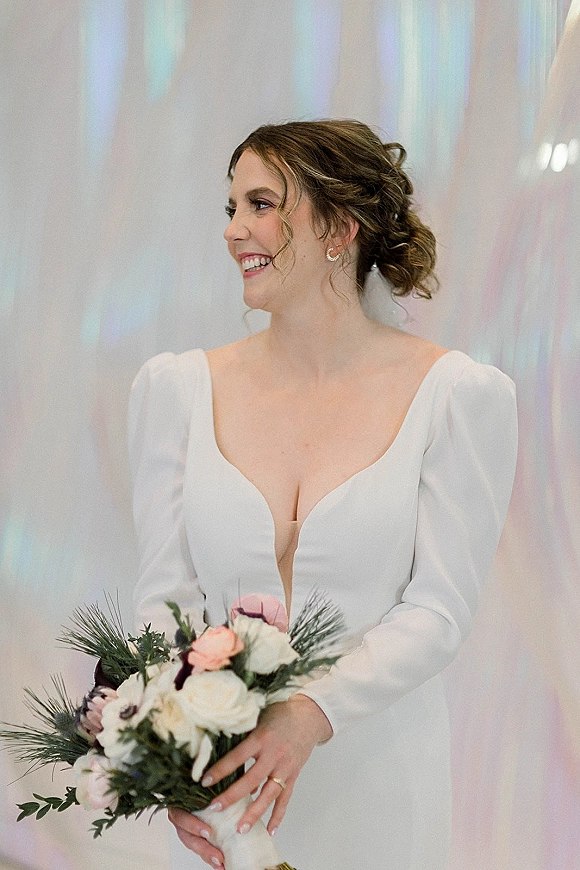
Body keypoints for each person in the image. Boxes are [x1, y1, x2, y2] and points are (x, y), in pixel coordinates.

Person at [127, 120, 518, 870]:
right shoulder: (177, 389)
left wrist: (311, 713)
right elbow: (163, 602)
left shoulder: (456, 396)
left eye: (262, 204)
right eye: (231, 206)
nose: (234, 230)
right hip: (226, 793)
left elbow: (440, 609)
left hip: (378, 782)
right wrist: (165, 753)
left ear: (340, 228)